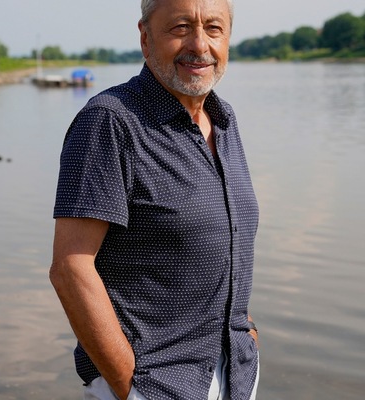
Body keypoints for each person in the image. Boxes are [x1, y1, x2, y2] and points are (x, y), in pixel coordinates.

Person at [50, 0, 259, 398]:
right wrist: (128, 385)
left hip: (237, 372)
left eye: (214, 29)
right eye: (180, 27)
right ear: (145, 38)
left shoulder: (224, 119)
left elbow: (227, 235)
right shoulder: (110, 121)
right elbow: (70, 268)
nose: (199, 45)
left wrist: (245, 327)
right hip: (155, 383)